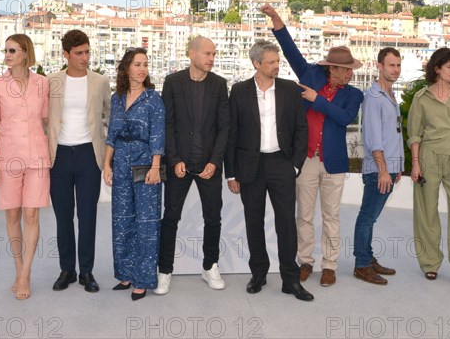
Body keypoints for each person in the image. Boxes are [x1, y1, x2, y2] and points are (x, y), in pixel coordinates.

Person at [262, 4, 364, 287]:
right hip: (306, 159)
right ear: (333, 69)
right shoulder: (310, 75)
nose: (350, 75)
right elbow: (290, 49)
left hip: (333, 163)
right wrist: (276, 20)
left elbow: (343, 119)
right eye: (346, 71)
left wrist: (316, 100)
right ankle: (305, 261)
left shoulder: (354, 94)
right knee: (303, 215)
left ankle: (329, 265)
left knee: (331, 216)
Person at [226, 39, 313, 301]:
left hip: (281, 164)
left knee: (286, 223)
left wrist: (295, 164)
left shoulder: (289, 89)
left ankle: (290, 280)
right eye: (272, 62)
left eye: (278, 61)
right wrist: (231, 173)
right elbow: (232, 134)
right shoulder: (239, 91)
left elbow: (301, 129)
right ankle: (259, 274)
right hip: (249, 167)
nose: (277, 66)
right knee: (254, 222)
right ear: (257, 64)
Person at [154, 36, 230, 295]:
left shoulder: (220, 85)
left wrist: (214, 162)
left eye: (214, 54)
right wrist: (174, 160)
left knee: (213, 218)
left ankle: (210, 266)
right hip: (180, 165)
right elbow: (169, 124)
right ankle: (164, 270)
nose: (211, 58)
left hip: (209, 165)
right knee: (171, 218)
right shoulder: (173, 82)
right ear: (192, 54)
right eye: (207, 53)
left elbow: (224, 128)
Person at [0, 33, 51, 300]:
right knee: (12, 216)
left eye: (12, 51)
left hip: (37, 158)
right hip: (8, 158)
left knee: (32, 216)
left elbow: (46, 121)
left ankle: (25, 274)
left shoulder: (43, 84)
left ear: (25, 53)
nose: (7, 55)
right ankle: (17, 267)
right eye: (6, 51)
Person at [407, 47, 450, 288]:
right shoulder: (421, 98)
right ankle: (430, 263)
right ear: (437, 68)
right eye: (449, 67)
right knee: (427, 212)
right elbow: (414, 135)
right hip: (429, 158)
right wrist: (416, 164)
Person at [47, 29, 111, 293]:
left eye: (87, 52)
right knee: (63, 216)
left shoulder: (100, 81)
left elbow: (111, 115)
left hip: (88, 155)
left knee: (87, 216)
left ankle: (86, 271)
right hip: (59, 157)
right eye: (79, 53)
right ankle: (67, 270)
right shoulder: (51, 81)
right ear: (66, 55)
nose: (85, 57)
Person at [103, 47, 165, 301]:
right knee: (122, 220)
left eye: (145, 64)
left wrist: (155, 167)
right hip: (119, 164)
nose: (142, 69)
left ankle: (142, 279)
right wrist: (106, 165)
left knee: (146, 223)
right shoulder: (117, 98)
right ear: (127, 67)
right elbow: (111, 135)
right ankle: (126, 273)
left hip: (145, 165)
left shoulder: (153, 99)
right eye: (137, 64)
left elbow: (158, 136)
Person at [353, 47, 404, 285]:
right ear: (379, 66)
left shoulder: (390, 96)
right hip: (378, 170)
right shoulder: (374, 97)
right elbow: (374, 139)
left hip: (390, 168)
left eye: (398, 65)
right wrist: (384, 170)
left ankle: (368, 257)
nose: (396, 69)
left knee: (370, 218)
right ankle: (362, 265)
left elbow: (393, 134)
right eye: (391, 65)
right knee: (367, 217)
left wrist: (398, 166)